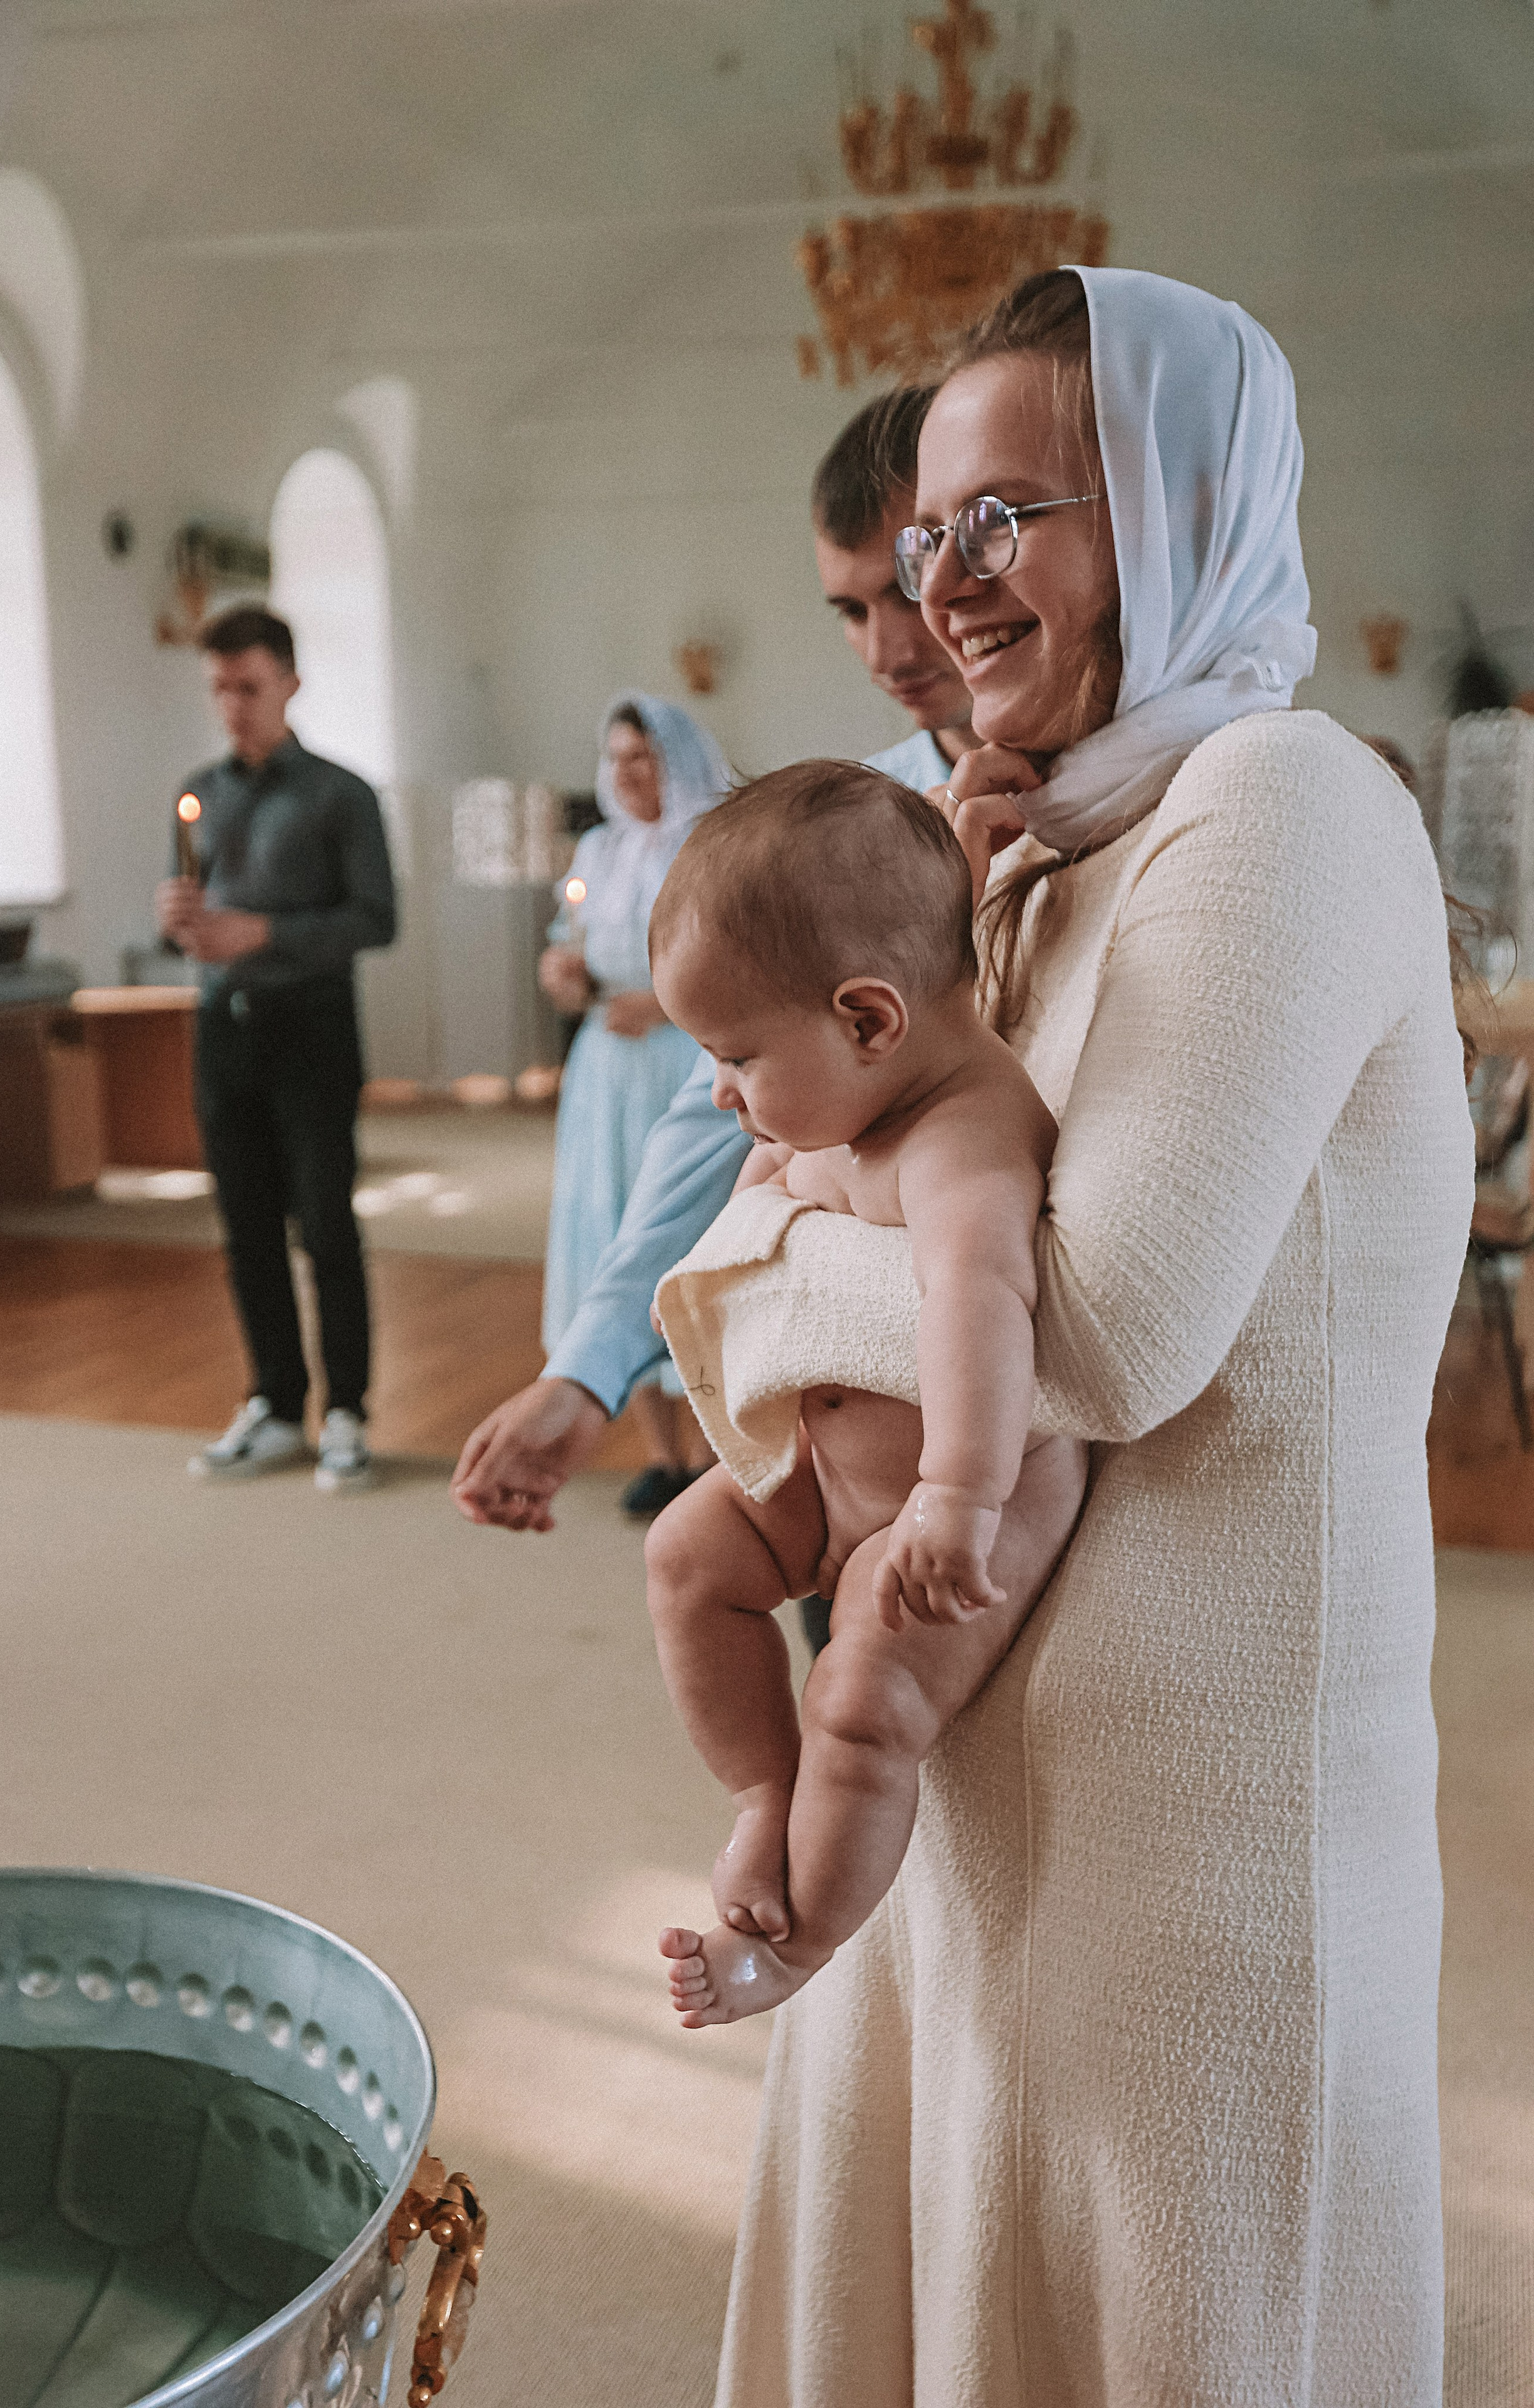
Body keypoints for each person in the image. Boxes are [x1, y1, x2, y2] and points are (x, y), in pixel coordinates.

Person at [707, 266, 1474, 2405]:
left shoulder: (1285, 802)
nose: (947, 586)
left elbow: (1103, 1330)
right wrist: (789, 1258)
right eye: (930, 532)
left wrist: (792, 1254)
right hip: (948, 1755)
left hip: (1188, 1842)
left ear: (1181, 497)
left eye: (1012, 515)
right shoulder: (1010, 838)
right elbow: (742, 1243)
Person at [452, 392, 975, 1579]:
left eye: (910, 587)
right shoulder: (851, 820)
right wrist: (583, 1371)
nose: (895, 646)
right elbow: (713, 1107)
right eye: (851, 609)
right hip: (851, 1386)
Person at [638, 764, 1085, 2025]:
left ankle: (793, 1951)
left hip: (934, 1516)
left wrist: (956, 1499)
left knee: (859, 1701)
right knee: (685, 1555)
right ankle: (757, 1799)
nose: (722, 1091)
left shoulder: (960, 1139)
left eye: (734, 1055)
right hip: (825, 1480)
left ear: (870, 1021)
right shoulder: (857, 1091)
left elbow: (979, 1304)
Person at [157, 605, 396, 1494]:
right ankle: (274, 1402)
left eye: (249, 686)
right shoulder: (201, 791)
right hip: (222, 1030)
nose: (233, 705)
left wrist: (259, 932)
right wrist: (181, 925)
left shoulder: (342, 794)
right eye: (219, 688)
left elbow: (377, 918)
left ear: (290, 681)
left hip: (314, 1028)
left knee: (325, 1223)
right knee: (245, 1226)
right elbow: (198, 909)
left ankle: (347, 1412)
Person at [538, 694, 730, 1518]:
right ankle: (660, 1453)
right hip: (607, 1068)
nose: (627, 772)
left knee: (688, 1234)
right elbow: (566, 939)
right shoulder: (598, 848)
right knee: (609, 1230)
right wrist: (562, 972)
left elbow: (741, 956)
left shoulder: (712, 845)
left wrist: (665, 1004)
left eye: (643, 756)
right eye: (616, 757)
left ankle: (717, 1449)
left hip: (685, 1058)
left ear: (677, 760)